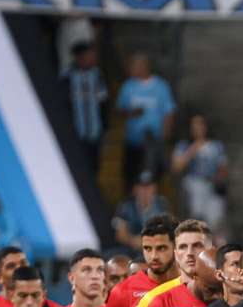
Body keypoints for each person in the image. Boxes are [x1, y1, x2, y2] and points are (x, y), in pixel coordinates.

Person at [116, 53, 175, 186]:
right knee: (130, 177)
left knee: (151, 178)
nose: (130, 69)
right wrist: (131, 112)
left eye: (133, 66)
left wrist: (164, 136)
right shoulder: (127, 86)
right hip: (133, 142)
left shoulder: (161, 86)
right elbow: (120, 111)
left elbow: (169, 112)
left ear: (143, 67)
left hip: (153, 142)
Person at [172, 114, 229, 231]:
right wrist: (193, 148)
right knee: (196, 206)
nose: (198, 128)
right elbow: (176, 167)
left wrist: (218, 177)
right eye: (194, 126)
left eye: (200, 125)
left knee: (215, 216)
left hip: (211, 184)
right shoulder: (183, 145)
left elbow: (223, 168)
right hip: (193, 181)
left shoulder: (216, 146)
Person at [61, 41, 108, 172]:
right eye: (89, 55)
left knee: (94, 167)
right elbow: (62, 106)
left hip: (94, 132)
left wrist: (104, 127)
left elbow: (103, 103)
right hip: (75, 134)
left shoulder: (98, 75)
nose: (92, 58)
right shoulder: (67, 76)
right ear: (80, 57)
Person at [113, 172, 170, 251]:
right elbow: (120, 235)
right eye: (142, 187)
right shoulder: (125, 206)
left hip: (156, 247)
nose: (145, 191)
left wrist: (147, 242)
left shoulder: (161, 204)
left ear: (154, 188)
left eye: (149, 187)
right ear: (135, 189)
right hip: (132, 249)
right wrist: (132, 241)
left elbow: (168, 229)